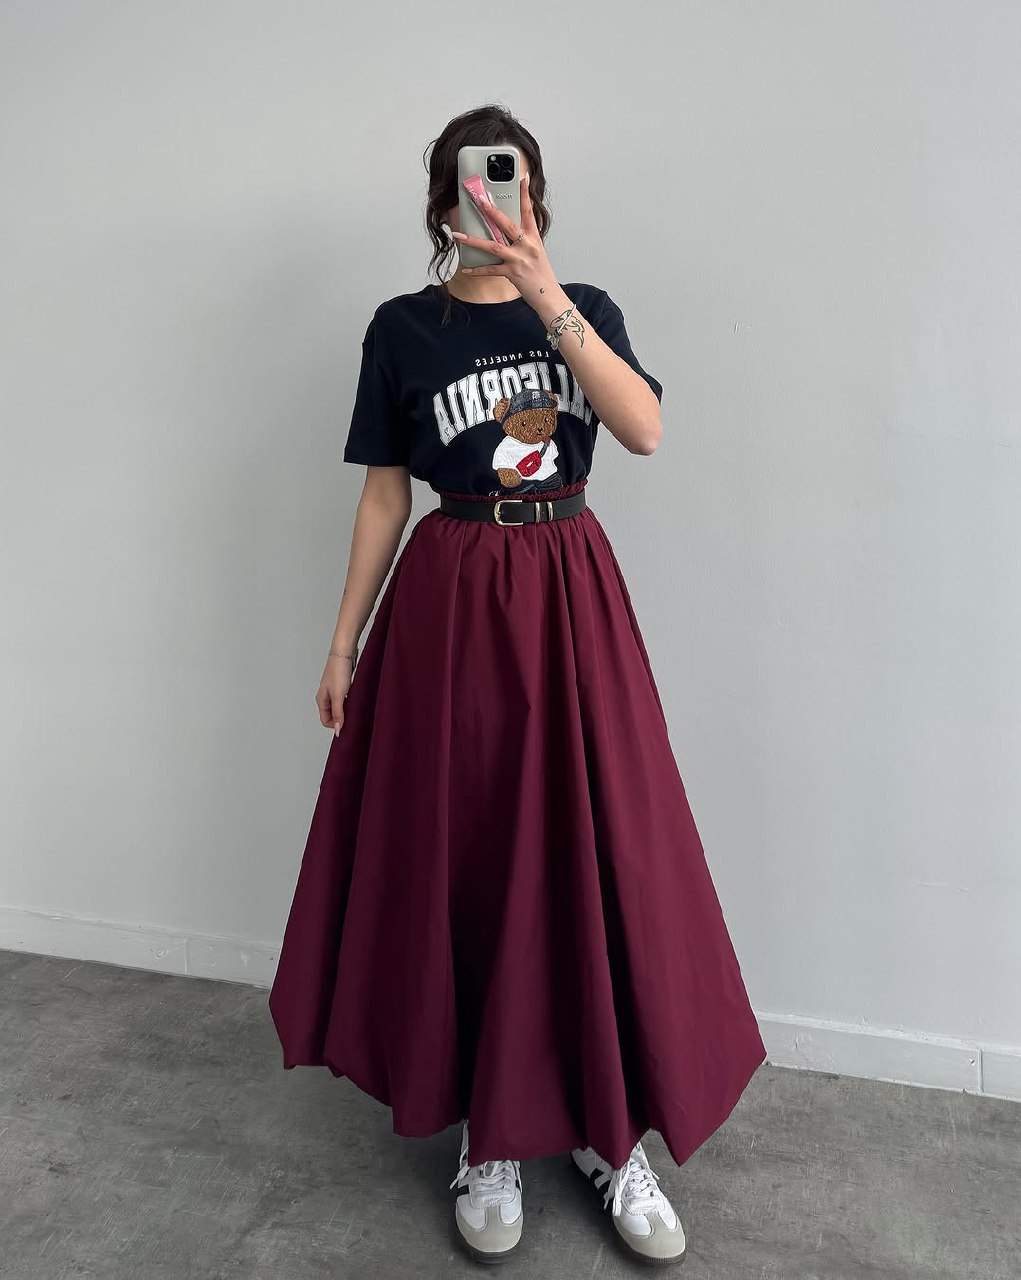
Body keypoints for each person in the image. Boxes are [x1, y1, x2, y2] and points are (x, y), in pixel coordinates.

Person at [268, 104, 767, 1268]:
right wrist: (341, 642)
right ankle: (487, 1133)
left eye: (515, 183)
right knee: (469, 849)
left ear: (537, 195)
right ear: (442, 202)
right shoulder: (403, 327)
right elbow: (385, 492)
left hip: (568, 592)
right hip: (451, 602)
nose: (496, 200)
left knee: (599, 850)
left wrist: (544, 294)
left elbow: (642, 429)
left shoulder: (582, 308)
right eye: (474, 183)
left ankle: (606, 1129)